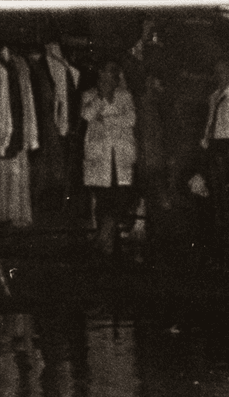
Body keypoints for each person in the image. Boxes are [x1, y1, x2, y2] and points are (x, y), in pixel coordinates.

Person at [79, 61, 136, 256]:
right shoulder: (89, 95)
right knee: (103, 200)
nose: (108, 79)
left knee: (119, 199)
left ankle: (103, 238)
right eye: (105, 74)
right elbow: (87, 115)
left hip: (120, 156)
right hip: (100, 157)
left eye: (112, 74)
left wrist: (106, 118)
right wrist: (102, 99)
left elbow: (130, 120)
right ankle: (108, 245)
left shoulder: (125, 96)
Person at [200, 59, 229, 241]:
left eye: (224, 71)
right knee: (206, 186)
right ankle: (212, 231)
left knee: (222, 191)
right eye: (217, 72)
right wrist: (205, 141)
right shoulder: (213, 97)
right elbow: (211, 123)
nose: (220, 76)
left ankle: (227, 230)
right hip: (214, 145)